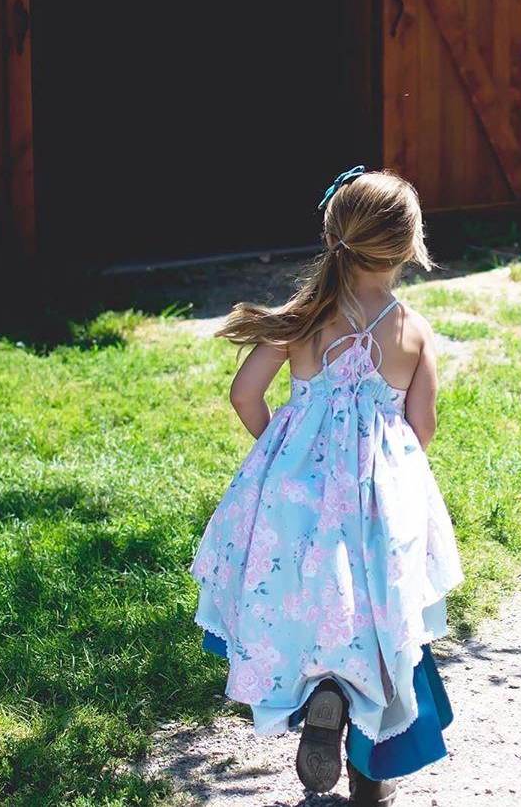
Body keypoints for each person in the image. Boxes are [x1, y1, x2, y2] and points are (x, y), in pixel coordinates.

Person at [190, 166, 463, 804]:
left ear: (335, 236)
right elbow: (422, 426)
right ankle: (370, 770)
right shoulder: (412, 331)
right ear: (410, 247)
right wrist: (389, 471)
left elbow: (244, 393)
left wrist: (283, 455)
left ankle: (321, 696)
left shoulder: (305, 316)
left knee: (303, 605)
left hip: (296, 499)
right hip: (379, 505)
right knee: (376, 619)